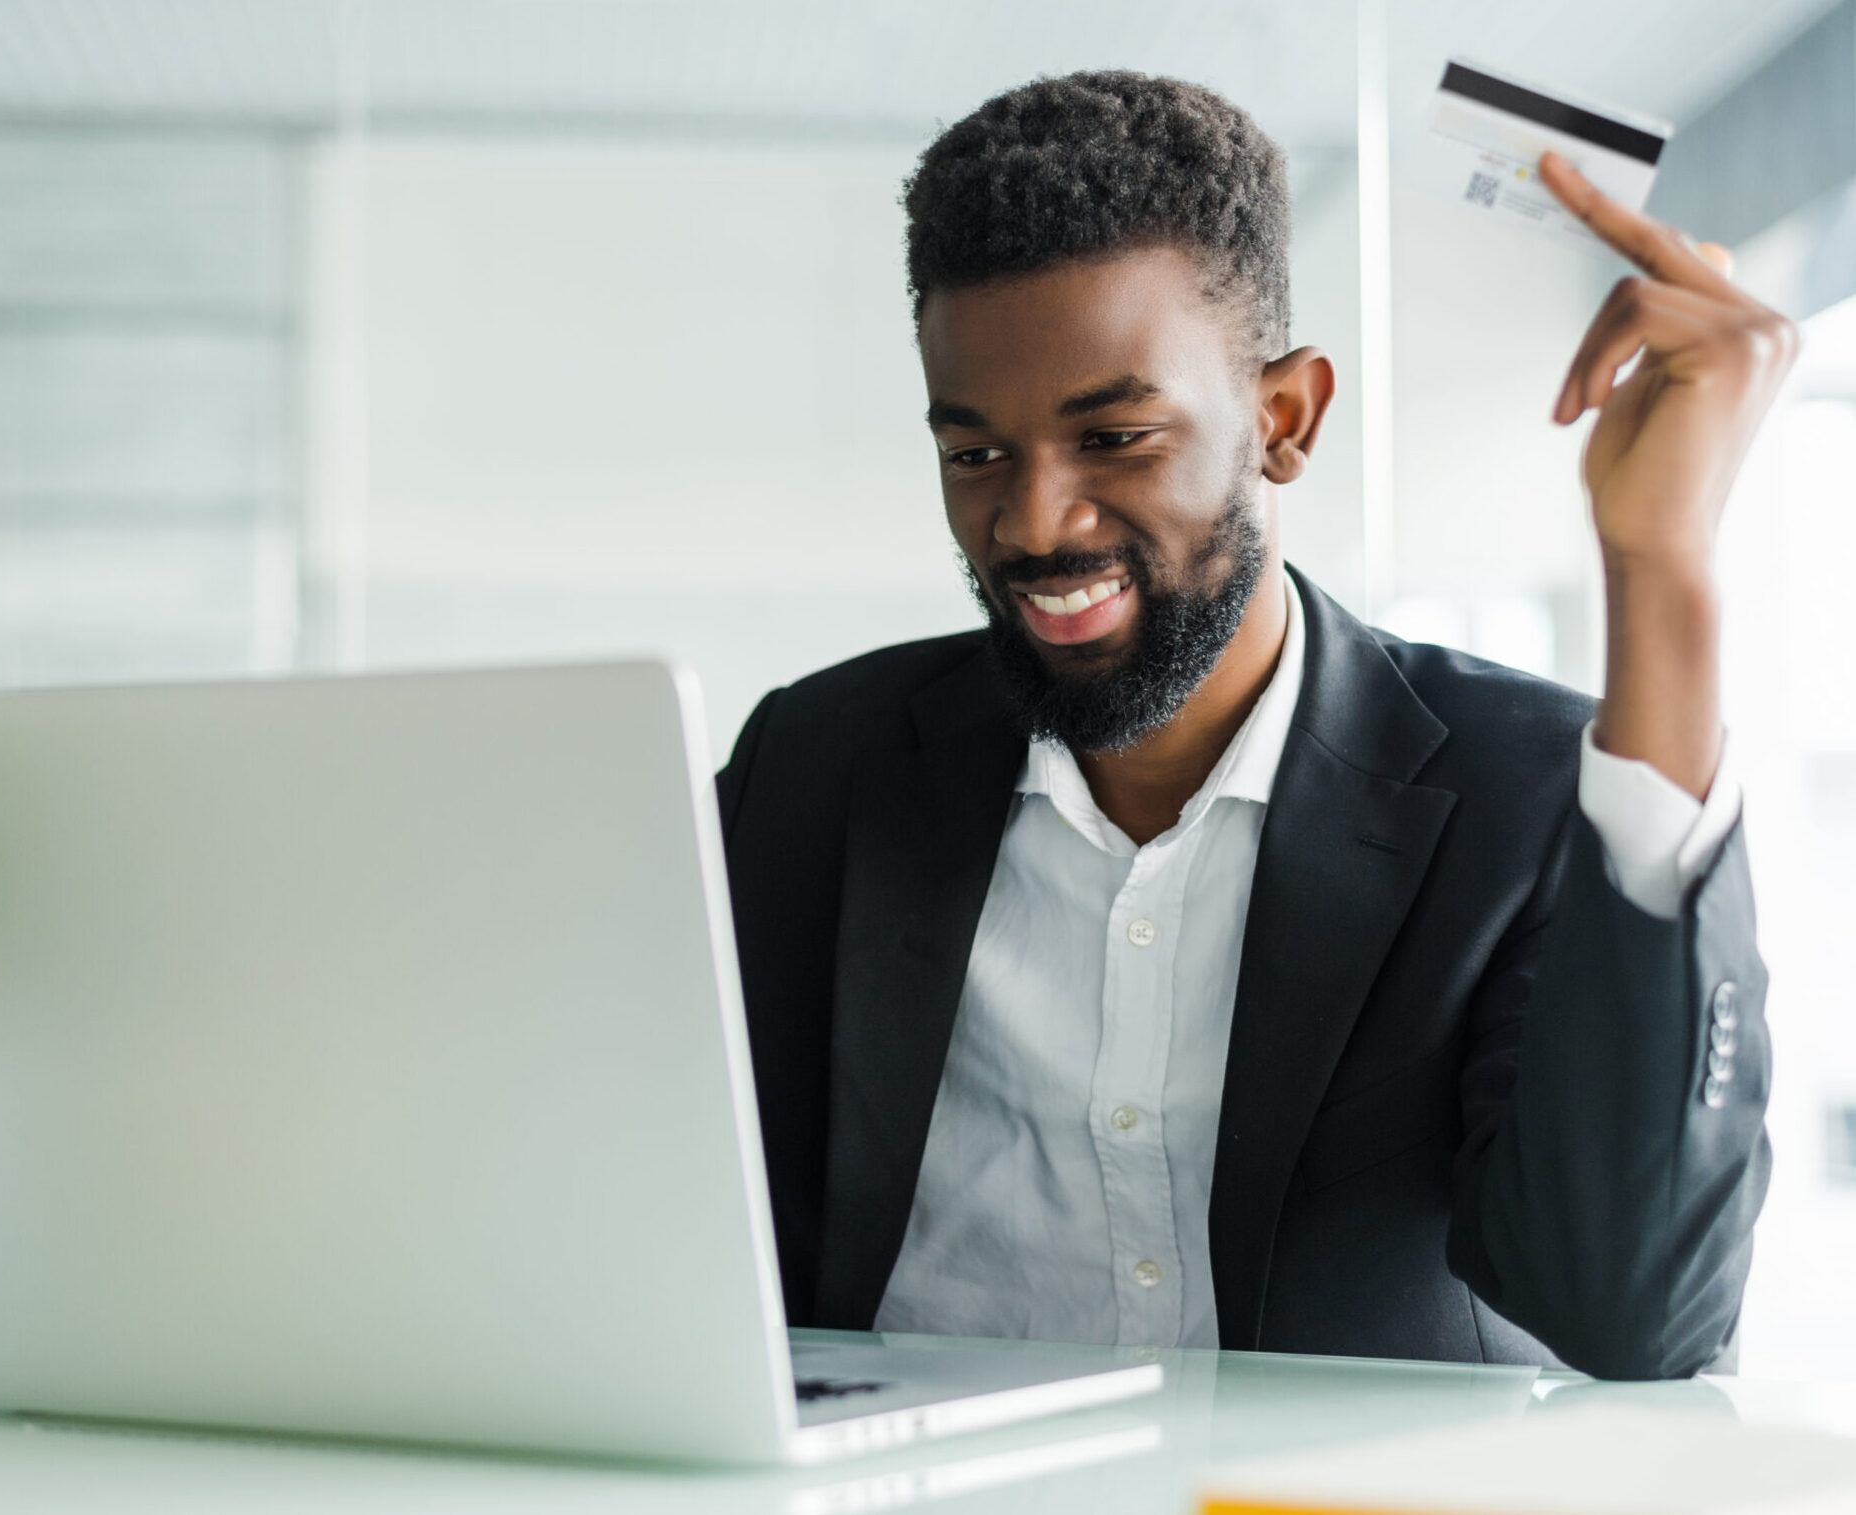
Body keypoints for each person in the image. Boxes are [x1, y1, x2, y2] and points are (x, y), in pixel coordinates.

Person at [715, 72, 1794, 1377]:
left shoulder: (1526, 797)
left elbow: (1635, 1316)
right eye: (975, 454)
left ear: (1281, 421)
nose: (1035, 524)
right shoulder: (813, 767)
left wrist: (1659, 566)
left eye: (1112, 435)